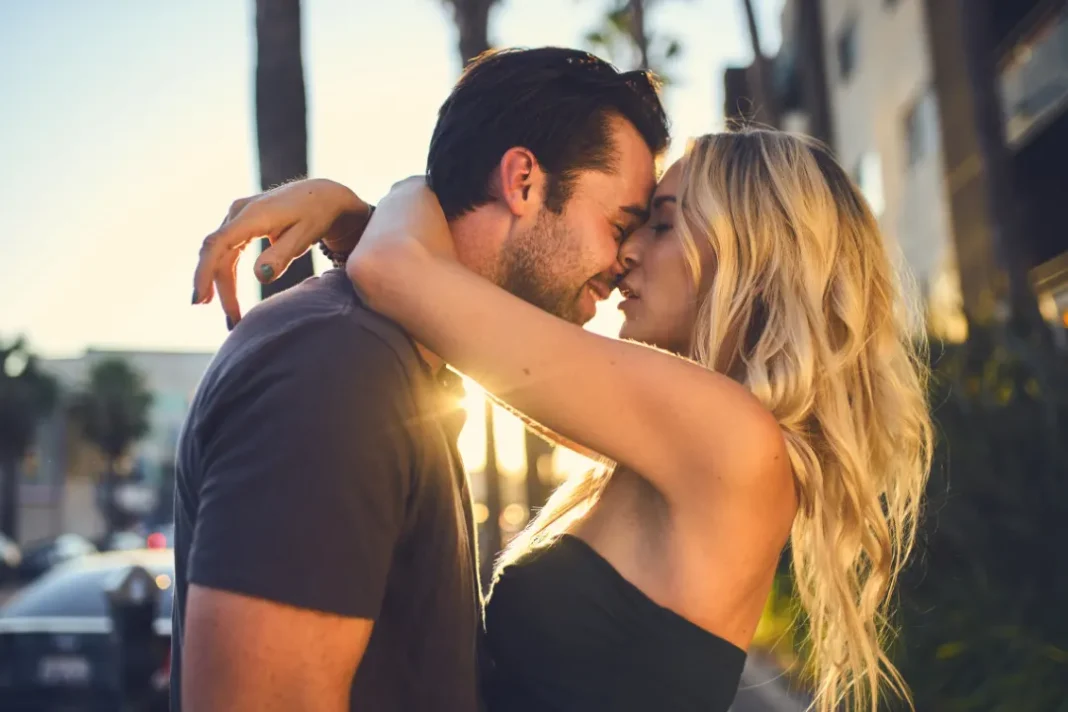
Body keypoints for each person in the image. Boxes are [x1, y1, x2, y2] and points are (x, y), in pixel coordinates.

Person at [193, 128, 932, 712]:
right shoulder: (678, 442)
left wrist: (402, 192)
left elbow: (398, 275)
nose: (627, 254)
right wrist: (362, 224)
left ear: (756, 255)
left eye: (663, 227)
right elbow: (457, 320)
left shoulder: (726, 435)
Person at [175, 47, 670, 712]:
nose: (623, 260)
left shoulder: (396, 365)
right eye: (618, 225)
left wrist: (365, 216)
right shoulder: (338, 369)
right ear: (522, 180)